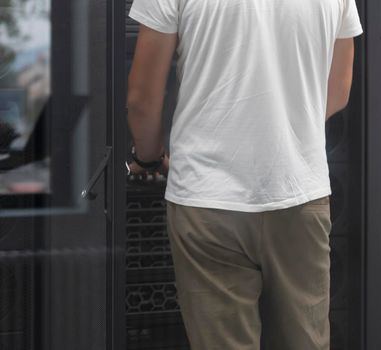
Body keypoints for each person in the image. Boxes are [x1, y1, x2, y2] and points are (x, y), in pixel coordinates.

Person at [127, 0, 363, 349]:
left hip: (207, 197)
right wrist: (287, 126)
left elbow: (142, 99)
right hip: (300, 192)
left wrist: (149, 159)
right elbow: (340, 88)